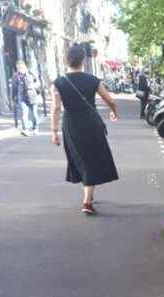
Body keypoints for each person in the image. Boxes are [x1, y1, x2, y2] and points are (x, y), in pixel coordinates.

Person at [50, 44, 120, 215]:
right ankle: (87, 201)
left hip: (72, 125)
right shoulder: (93, 80)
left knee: (81, 159)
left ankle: (87, 198)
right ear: (83, 60)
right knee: (91, 159)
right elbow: (110, 100)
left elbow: (56, 109)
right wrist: (114, 113)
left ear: (66, 60)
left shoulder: (58, 83)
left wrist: (54, 131)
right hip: (91, 124)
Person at [10, 61, 39, 136]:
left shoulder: (30, 73)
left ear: (25, 66)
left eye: (21, 67)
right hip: (22, 96)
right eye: (18, 67)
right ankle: (25, 129)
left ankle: (35, 128)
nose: (20, 69)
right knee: (24, 113)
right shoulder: (15, 76)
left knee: (34, 114)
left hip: (32, 95)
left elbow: (38, 83)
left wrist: (34, 86)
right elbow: (14, 88)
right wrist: (13, 97)